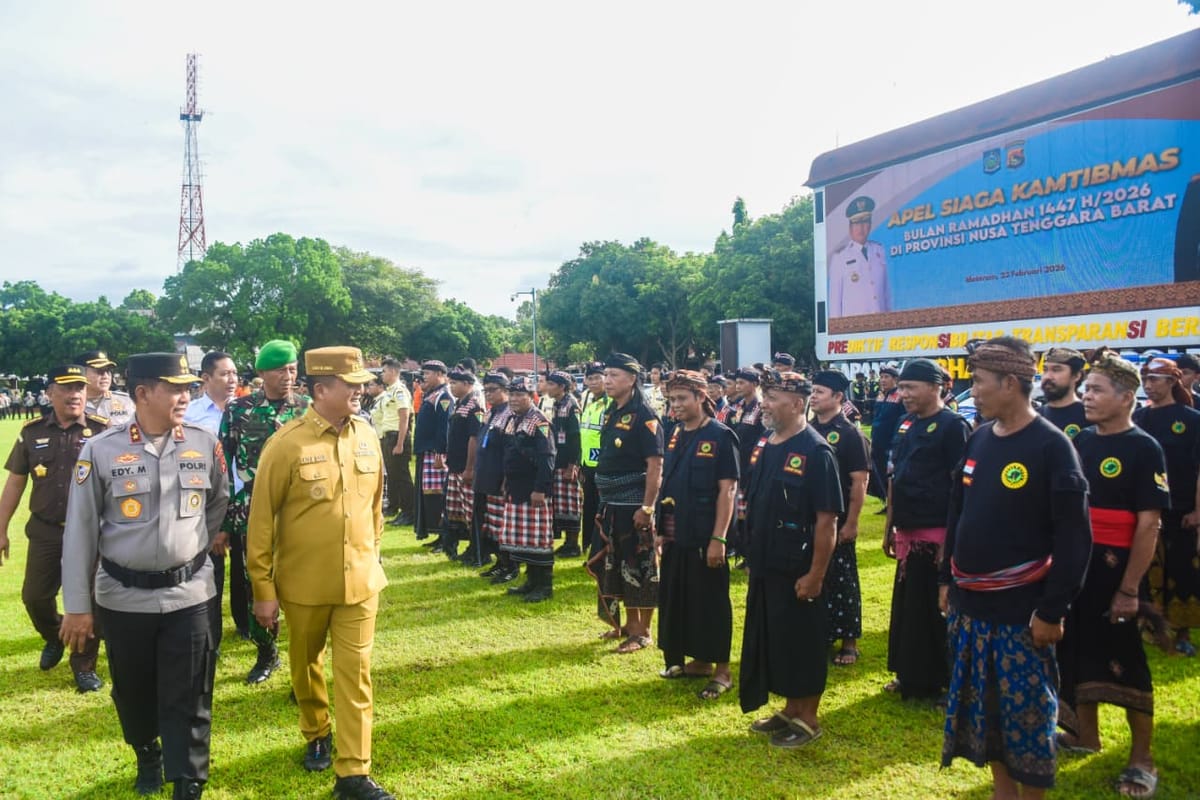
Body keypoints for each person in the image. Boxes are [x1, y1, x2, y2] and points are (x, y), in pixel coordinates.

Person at [60, 353, 229, 799]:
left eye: (189, 387)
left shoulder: (204, 441)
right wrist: (77, 607)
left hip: (189, 592)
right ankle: (146, 751)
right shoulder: (100, 450)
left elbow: (216, 504)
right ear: (142, 393)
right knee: (134, 693)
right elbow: (79, 532)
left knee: (190, 691)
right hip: (123, 597)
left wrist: (184, 551)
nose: (185, 396)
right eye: (175, 388)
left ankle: (187, 780)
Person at [939, 336, 1091, 798]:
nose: (974, 391)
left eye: (980, 382)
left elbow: (1074, 537)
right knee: (988, 723)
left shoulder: (1051, 446)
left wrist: (1052, 610)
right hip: (972, 606)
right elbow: (958, 512)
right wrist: (948, 578)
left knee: (1026, 723)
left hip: (1021, 614)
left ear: (1010, 383)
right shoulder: (980, 436)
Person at [245, 346, 394, 800]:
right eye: (351, 384)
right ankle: (316, 731)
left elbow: (374, 510)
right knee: (306, 664)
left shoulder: (367, 435)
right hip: (304, 585)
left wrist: (372, 557)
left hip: (361, 581)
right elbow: (262, 523)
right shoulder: (286, 444)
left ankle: (353, 772)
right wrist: (264, 590)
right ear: (321, 388)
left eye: (362, 383)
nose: (361, 390)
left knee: (357, 672)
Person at [1060, 350, 1168, 800]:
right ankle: (1087, 736)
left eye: (1097, 391)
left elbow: (1149, 523)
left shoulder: (1145, 446)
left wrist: (1129, 588)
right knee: (1077, 649)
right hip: (1077, 566)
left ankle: (1142, 759)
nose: (1086, 397)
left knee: (1128, 661)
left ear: (1126, 398)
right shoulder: (1081, 441)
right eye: (1086, 390)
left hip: (1117, 567)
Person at [739, 370, 842, 748]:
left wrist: (816, 574)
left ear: (797, 404)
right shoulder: (769, 442)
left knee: (803, 640)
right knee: (778, 638)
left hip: (799, 568)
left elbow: (827, 520)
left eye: (773, 397)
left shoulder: (817, 451)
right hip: (769, 563)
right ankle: (790, 708)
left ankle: (809, 717)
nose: (764, 402)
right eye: (765, 395)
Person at [0, 365, 108, 692]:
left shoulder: (104, 431)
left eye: (80, 388)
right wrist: (1, 527)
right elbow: (15, 483)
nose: (75, 394)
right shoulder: (31, 432)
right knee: (34, 597)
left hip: (91, 532)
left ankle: (83, 664)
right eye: (66, 388)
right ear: (50, 393)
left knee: (89, 601)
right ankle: (55, 634)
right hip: (46, 531)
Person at [219, 339, 308, 684]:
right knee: (257, 582)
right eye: (279, 369)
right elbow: (224, 467)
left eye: (292, 368)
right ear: (262, 373)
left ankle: (303, 655)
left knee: (301, 584)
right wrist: (226, 520)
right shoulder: (238, 411)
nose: (287, 376)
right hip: (252, 512)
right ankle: (266, 652)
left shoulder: (307, 409)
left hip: (298, 515)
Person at [883, 358, 971, 701]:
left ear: (936, 388)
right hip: (908, 530)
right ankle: (910, 674)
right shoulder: (906, 423)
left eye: (910, 387)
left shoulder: (953, 426)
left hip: (937, 536)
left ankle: (941, 681)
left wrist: (951, 539)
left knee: (935, 610)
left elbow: (960, 489)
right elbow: (896, 474)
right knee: (909, 609)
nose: (903, 394)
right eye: (902, 387)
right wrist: (890, 524)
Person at [656, 371, 738, 699]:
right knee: (678, 599)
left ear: (701, 397)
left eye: (682, 399)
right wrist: (662, 529)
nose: (676, 405)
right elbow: (669, 482)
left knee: (711, 603)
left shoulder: (721, 435)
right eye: (672, 399)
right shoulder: (675, 433)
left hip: (705, 535)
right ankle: (696, 661)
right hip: (677, 533)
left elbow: (727, 490)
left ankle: (722, 671)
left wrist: (718, 538)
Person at [593, 353, 664, 652]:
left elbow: (655, 466)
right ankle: (627, 625)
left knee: (640, 565)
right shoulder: (611, 412)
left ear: (632, 379)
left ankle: (643, 631)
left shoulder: (645, 416)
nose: (607, 381)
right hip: (611, 504)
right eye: (606, 374)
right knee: (618, 563)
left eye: (614, 375)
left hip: (634, 505)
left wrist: (647, 508)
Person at [1134, 357, 1200, 656]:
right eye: (1145, 379)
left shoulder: (1191, 419)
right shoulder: (1139, 419)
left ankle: (1183, 632)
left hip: (1181, 508)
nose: (1149, 385)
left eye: (1155, 379)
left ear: (1172, 382)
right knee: (1146, 569)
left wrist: (1197, 511)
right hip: (1146, 509)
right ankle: (1151, 626)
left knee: (1182, 570)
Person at [808, 370, 870, 667]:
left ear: (838, 397)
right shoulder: (806, 429)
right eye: (813, 391)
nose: (814, 396)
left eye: (820, 392)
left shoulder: (849, 433)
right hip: (811, 517)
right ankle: (821, 633)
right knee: (816, 574)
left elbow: (859, 482)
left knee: (843, 578)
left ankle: (849, 642)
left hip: (839, 516)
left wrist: (852, 522)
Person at [183, 351, 239, 650]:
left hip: (241, 500)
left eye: (234, 374)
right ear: (205, 378)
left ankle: (245, 625)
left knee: (245, 570)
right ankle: (211, 636)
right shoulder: (190, 414)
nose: (232, 380)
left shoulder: (245, 411)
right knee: (211, 571)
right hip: (206, 502)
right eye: (224, 374)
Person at [498, 375, 557, 601]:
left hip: (534, 489)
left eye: (519, 395)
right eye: (511, 394)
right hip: (517, 487)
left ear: (531, 397)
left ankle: (544, 585)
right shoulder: (514, 419)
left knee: (538, 539)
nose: (513, 399)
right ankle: (531, 580)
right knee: (525, 539)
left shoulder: (539, 421)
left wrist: (540, 489)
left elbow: (547, 457)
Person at [443, 367, 483, 562]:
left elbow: (474, 438)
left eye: (455, 383)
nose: (451, 387)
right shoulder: (460, 404)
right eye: (450, 383)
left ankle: (477, 549)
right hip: (454, 465)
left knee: (470, 511)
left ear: (467, 384)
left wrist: (470, 468)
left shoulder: (474, 406)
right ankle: (463, 546)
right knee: (456, 510)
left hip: (465, 467)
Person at [476, 373, 514, 578]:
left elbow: (510, 451)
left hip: (500, 477)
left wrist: (506, 479)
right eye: (486, 390)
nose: (488, 394)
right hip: (487, 475)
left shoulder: (510, 414)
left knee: (503, 525)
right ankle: (499, 561)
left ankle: (510, 565)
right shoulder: (491, 413)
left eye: (493, 390)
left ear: (505, 390)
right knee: (491, 523)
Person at [828, 195, 890, 317]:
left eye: (865, 222)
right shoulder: (840, 257)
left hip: (881, 324)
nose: (861, 228)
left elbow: (886, 292)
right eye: (856, 223)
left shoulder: (879, 250)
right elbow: (835, 302)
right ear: (850, 227)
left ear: (870, 225)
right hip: (854, 327)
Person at [412, 360, 451, 547]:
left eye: (427, 373)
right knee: (428, 495)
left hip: (435, 453)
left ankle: (444, 535)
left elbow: (444, 426)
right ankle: (436, 534)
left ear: (439, 374)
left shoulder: (443, 396)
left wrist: (440, 452)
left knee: (436, 495)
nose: (424, 377)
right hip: (426, 451)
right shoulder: (432, 394)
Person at [546, 371, 583, 558]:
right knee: (560, 503)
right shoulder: (555, 403)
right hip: (557, 460)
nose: (547, 387)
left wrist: (572, 465)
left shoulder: (571, 405)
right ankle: (567, 543)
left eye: (551, 384)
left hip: (567, 462)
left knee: (570, 503)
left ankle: (573, 544)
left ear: (562, 387)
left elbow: (576, 437)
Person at [729, 367, 765, 559]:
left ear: (755, 384)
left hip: (754, 465)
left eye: (743, 382)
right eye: (737, 382)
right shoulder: (740, 406)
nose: (738, 386)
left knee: (751, 509)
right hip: (739, 464)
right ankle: (741, 548)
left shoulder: (762, 407)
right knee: (740, 508)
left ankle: (751, 550)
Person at [576, 362, 610, 560]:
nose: (594, 382)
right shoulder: (589, 401)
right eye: (590, 378)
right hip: (588, 465)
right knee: (588, 507)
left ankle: (602, 551)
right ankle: (589, 547)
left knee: (601, 510)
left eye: (598, 377)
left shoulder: (610, 403)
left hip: (603, 466)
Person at [375, 358, 415, 527]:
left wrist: (400, 443)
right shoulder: (389, 392)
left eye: (383, 371)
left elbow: (404, 416)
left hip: (397, 436)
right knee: (393, 475)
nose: (381, 375)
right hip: (388, 436)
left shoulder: (400, 391)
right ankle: (397, 507)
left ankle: (409, 512)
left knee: (402, 476)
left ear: (392, 371)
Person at [869, 365, 903, 505]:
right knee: (879, 473)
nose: (883, 380)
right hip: (877, 441)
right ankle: (886, 501)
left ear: (895, 379)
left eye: (886, 377)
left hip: (891, 442)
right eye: (881, 377)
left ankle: (893, 502)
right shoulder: (880, 395)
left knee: (891, 474)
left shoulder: (900, 396)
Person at [1039, 347, 1088, 438]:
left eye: (1056, 370)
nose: (1048, 376)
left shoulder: (1089, 415)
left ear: (1077, 375)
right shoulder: (1034, 416)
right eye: (1045, 369)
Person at [78, 349, 134, 426]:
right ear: (82, 374)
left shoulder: (126, 401)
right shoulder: (71, 404)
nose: (105, 376)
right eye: (99, 371)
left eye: (108, 371)